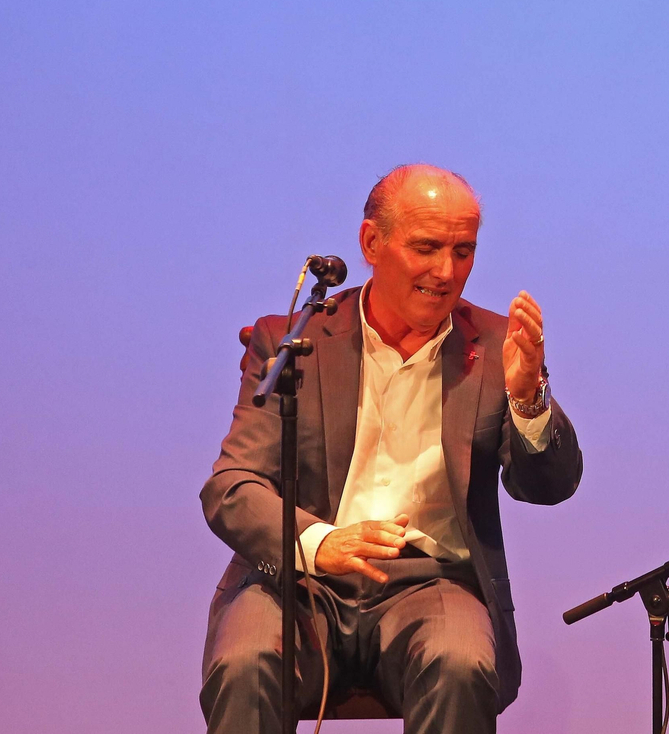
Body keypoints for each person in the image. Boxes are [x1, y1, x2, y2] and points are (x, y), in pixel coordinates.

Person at [200, 164, 582, 734]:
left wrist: (528, 399)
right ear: (371, 243)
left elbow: (548, 487)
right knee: (246, 662)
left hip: (432, 580)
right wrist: (321, 542)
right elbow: (233, 487)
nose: (446, 271)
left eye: (463, 251)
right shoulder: (293, 341)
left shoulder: (499, 345)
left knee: (459, 663)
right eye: (426, 247)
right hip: (297, 580)